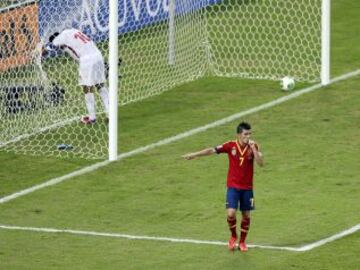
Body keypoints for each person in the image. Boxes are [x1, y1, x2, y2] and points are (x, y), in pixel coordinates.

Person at [182, 122, 264, 252]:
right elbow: (212, 150)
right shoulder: (230, 145)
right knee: (231, 213)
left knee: (246, 215)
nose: (248, 136)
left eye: (249, 133)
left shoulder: (254, 146)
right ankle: (233, 236)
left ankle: (242, 242)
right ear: (238, 135)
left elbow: (261, 163)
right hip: (233, 187)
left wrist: (254, 150)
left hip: (247, 188)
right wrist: (194, 155)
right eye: (245, 134)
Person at [44, 28, 109, 124]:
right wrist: (64, 48)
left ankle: (92, 118)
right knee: (100, 86)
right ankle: (110, 113)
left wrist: (39, 51)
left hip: (87, 60)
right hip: (98, 56)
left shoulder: (60, 38)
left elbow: (50, 47)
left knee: (87, 88)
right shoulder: (73, 31)